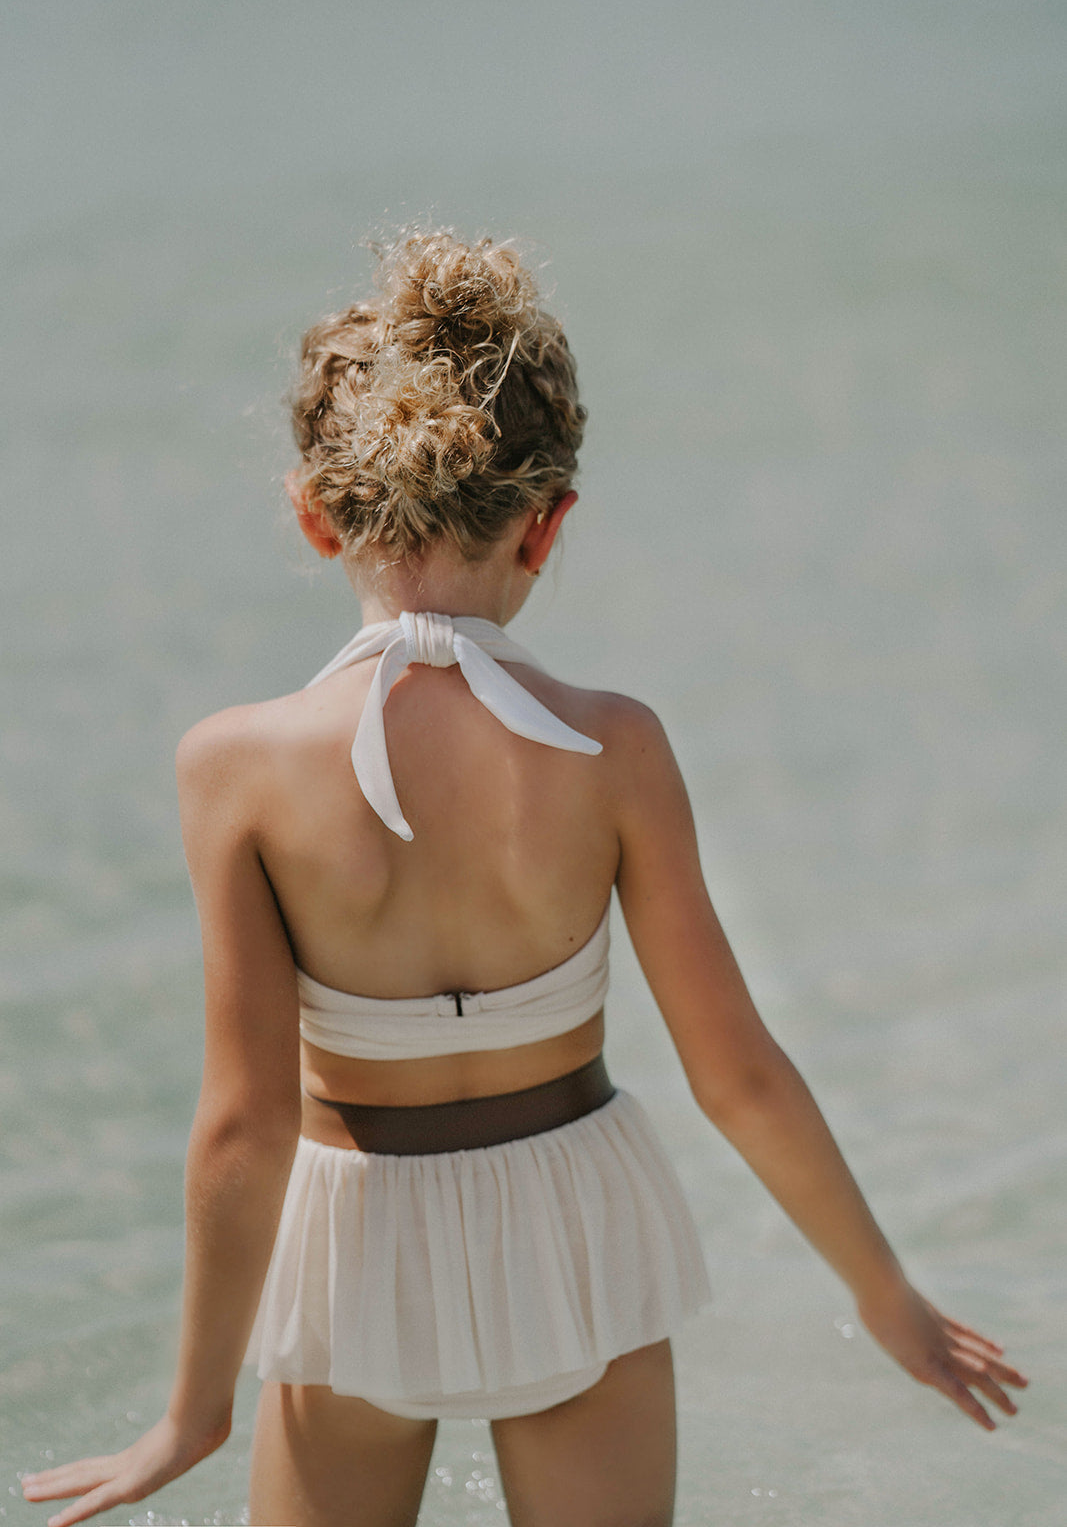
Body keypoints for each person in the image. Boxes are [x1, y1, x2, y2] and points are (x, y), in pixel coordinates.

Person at [22, 231, 1025, 1527]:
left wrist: (192, 1410)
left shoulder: (235, 768)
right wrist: (884, 1295)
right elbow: (738, 1073)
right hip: (577, 1232)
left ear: (316, 516)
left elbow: (242, 1128)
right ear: (548, 526)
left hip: (357, 1250)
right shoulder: (614, 749)